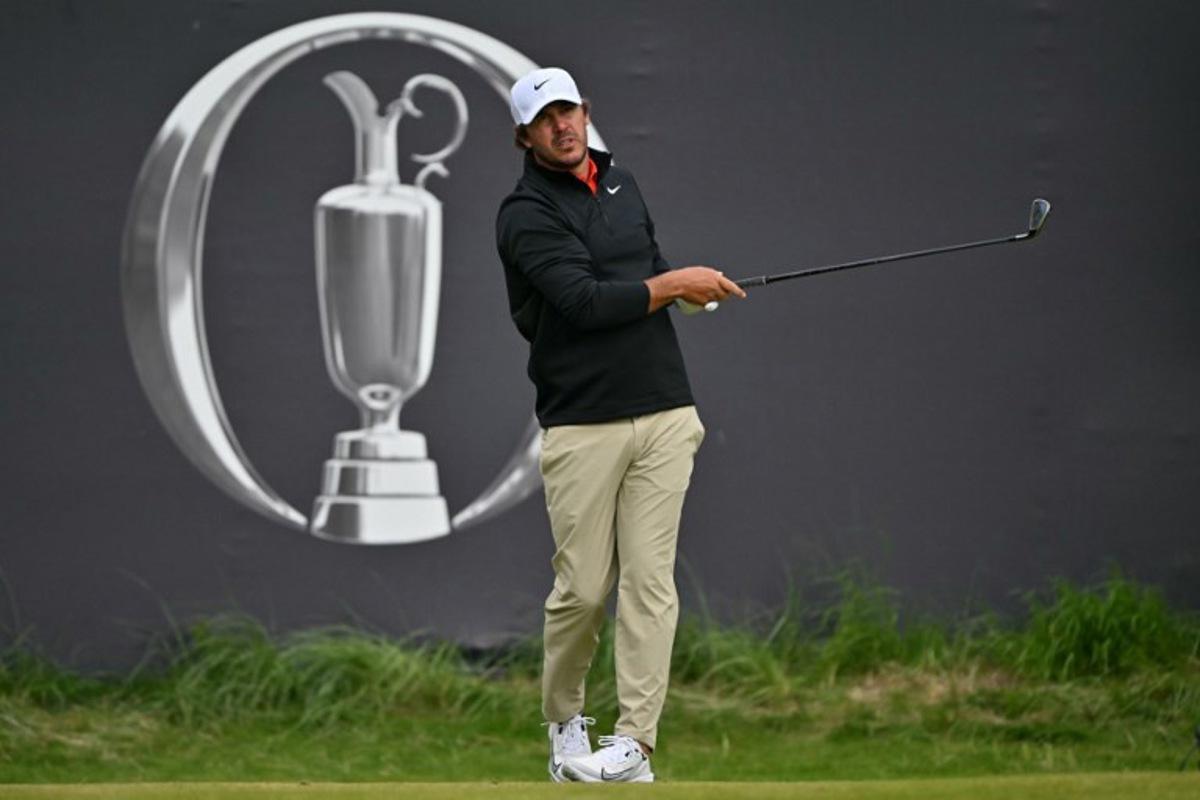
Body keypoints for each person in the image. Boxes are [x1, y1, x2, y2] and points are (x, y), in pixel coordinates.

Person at [496, 66, 745, 783]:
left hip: (665, 409)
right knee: (581, 589)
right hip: (583, 422)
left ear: (586, 111)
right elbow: (583, 302)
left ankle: (636, 742)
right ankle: (565, 719)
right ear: (525, 135)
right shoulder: (523, 214)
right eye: (545, 120)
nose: (561, 127)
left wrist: (693, 294)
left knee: (649, 581)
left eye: (568, 111)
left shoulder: (621, 183)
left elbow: (647, 266)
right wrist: (674, 285)